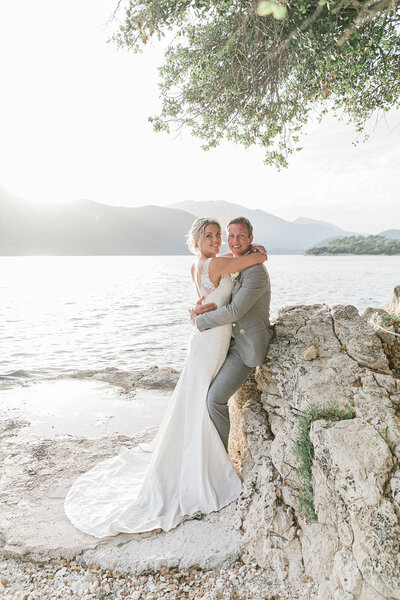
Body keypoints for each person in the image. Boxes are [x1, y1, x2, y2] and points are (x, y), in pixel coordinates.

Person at [64, 217, 266, 538]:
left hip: (211, 338)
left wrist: (203, 306)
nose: (216, 240)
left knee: (198, 398)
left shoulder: (199, 265)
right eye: (211, 236)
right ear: (198, 240)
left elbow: (212, 292)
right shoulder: (215, 264)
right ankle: (206, 469)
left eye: (219, 235)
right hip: (211, 336)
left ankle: (204, 460)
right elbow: (256, 260)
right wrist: (257, 250)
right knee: (202, 398)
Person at [189, 216, 274, 452]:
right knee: (201, 394)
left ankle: (219, 458)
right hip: (221, 341)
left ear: (250, 238)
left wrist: (199, 320)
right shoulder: (232, 263)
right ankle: (204, 455)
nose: (234, 241)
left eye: (241, 236)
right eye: (231, 236)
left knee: (214, 399)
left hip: (244, 347)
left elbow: (235, 311)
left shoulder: (255, 272)